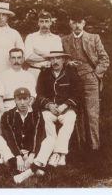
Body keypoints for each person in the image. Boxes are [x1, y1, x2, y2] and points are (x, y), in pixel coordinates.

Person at [13, 51, 81, 184]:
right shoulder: (44, 74)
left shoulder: (72, 74)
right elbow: (40, 94)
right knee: (46, 119)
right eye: (52, 59)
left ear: (64, 60)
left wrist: (65, 106)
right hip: (49, 109)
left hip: (65, 109)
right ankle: (58, 155)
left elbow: (78, 94)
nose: (55, 61)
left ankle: (58, 153)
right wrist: (49, 105)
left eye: (58, 58)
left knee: (70, 119)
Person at [62, 9, 109, 151]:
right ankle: (81, 146)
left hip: (90, 79)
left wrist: (95, 74)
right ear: (70, 23)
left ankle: (95, 147)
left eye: (80, 22)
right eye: (74, 22)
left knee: (92, 113)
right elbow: (60, 59)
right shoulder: (64, 40)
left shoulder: (94, 38)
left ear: (84, 23)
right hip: (73, 81)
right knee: (77, 112)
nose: (77, 25)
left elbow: (105, 59)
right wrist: (67, 63)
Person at [0, 87, 45, 181]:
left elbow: (38, 135)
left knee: (50, 140)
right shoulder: (7, 115)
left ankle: (23, 171)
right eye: (19, 99)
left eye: (25, 99)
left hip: (31, 152)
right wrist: (18, 156)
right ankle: (33, 169)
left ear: (30, 100)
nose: (22, 102)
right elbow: (9, 137)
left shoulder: (37, 114)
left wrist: (31, 156)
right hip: (14, 154)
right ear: (15, 100)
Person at [0, 48, 36, 114]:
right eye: (13, 58)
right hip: (8, 106)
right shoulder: (2, 76)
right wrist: (3, 112)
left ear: (23, 59)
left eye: (19, 58)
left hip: (25, 107)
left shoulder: (29, 76)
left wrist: (27, 108)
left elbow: (32, 96)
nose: (16, 61)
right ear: (9, 59)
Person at [24, 11, 63, 80]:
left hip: (51, 72)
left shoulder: (56, 38)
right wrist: (50, 55)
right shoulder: (31, 37)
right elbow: (28, 58)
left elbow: (57, 58)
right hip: (34, 71)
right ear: (38, 23)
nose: (44, 24)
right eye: (41, 21)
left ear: (51, 23)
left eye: (47, 21)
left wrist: (38, 53)